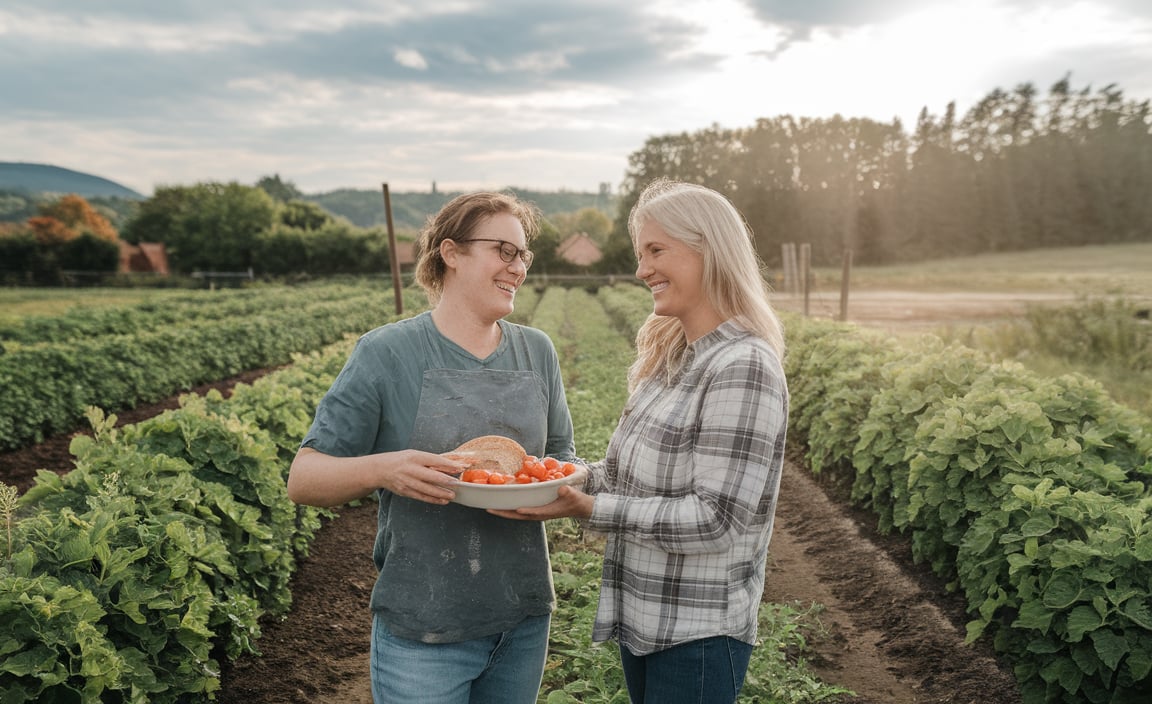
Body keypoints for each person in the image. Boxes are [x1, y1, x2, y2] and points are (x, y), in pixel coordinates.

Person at [492, 179, 789, 704]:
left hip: (697, 632)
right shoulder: (673, 357)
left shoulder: (742, 365)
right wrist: (560, 479)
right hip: (645, 619)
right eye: (639, 253)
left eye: (656, 250)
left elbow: (716, 520)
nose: (641, 269)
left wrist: (589, 508)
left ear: (708, 250)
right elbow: (623, 472)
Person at [286, 191, 577, 704]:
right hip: (423, 629)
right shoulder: (386, 352)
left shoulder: (538, 351)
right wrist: (386, 469)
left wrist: (563, 490)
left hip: (522, 620)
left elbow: (561, 457)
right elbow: (304, 479)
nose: (519, 267)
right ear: (451, 252)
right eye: (504, 251)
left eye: (524, 255)